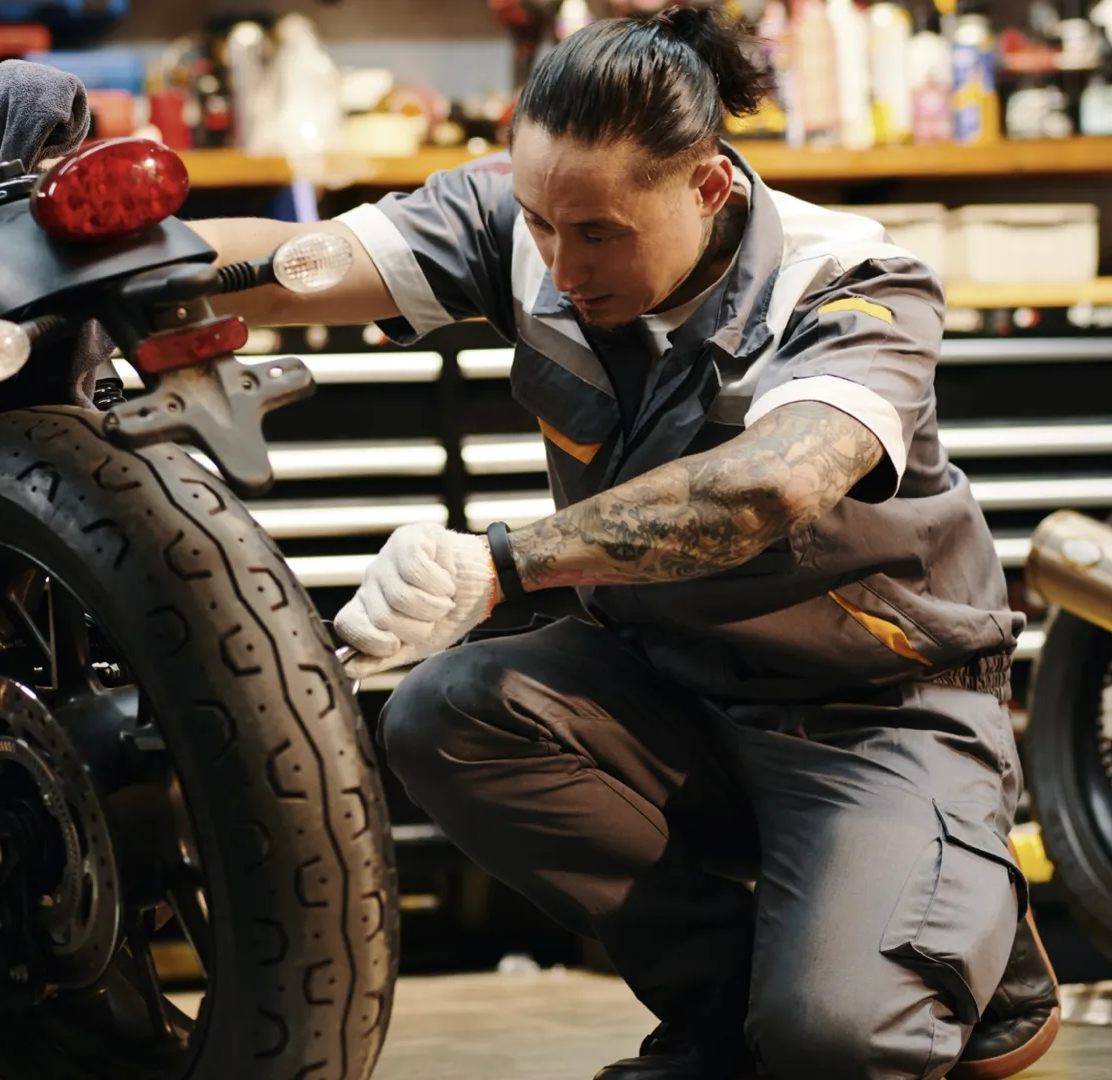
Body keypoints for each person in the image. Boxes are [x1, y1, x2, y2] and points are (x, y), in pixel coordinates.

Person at [192, 9, 1059, 1078]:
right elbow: (282, 269)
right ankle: (719, 1002)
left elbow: (771, 486)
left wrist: (500, 563)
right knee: (445, 715)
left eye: (599, 233)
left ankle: (953, 906)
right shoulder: (532, 212)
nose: (559, 267)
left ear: (707, 187)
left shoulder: (850, 282)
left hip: (874, 713)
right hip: (669, 689)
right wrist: (94, 255)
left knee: (834, 1045)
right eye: (541, 224)